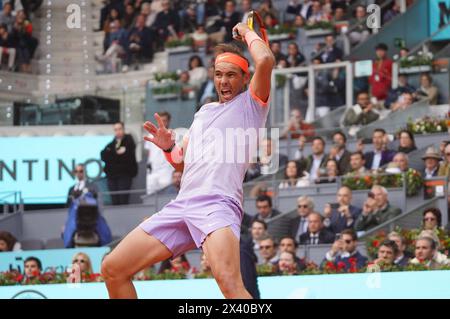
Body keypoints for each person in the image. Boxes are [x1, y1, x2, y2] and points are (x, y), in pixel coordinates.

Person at [102, 22, 275, 299]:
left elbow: (265, 59)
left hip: (217, 204)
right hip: (183, 204)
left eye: (231, 75)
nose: (224, 81)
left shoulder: (252, 105)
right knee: (113, 268)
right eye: (218, 74)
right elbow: (183, 165)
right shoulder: (204, 112)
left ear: (245, 78)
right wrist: (169, 148)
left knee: (231, 287)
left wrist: (246, 31)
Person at [101, 122, 137, 205]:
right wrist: (115, 153)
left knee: (123, 200)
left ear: (123, 129)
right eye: (116, 130)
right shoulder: (111, 144)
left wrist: (113, 154)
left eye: (120, 129)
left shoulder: (129, 141)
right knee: (115, 202)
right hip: (112, 176)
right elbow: (103, 155)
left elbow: (127, 156)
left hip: (124, 176)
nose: (118, 131)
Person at [145, 111, 174, 195]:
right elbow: (149, 153)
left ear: (168, 121)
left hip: (167, 171)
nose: (162, 123)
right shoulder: (150, 136)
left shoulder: (173, 134)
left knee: (166, 196)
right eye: (160, 120)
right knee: (150, 197)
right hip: (152, 172)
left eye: (164, 120)